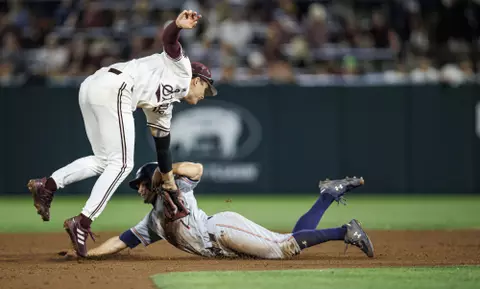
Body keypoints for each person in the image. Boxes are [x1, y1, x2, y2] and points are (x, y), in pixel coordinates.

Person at [27, 10, 217, 258]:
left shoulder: (164, 107)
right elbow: (170, 42)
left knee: (105, 161)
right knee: (123, 163)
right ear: (196, 80)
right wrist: (177, 26)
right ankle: (83, 223)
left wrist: (169, 181)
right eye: (206, 87)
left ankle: (48, 185)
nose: (205, 94)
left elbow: (163, 147)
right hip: (116, 87)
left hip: (93, 87)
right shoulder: (182, 70)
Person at [60, 162, 374, 260]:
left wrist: (164, 173)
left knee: (285, 250)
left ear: (151, 181)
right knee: (289, 240)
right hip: (219, 244)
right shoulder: (152, 221)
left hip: (220, 229)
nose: (138, 189)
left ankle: (346, 231)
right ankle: (327, 195)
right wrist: (85, 254)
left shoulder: (175, 187)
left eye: (140, 184)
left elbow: (196, 169)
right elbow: (120, 241)